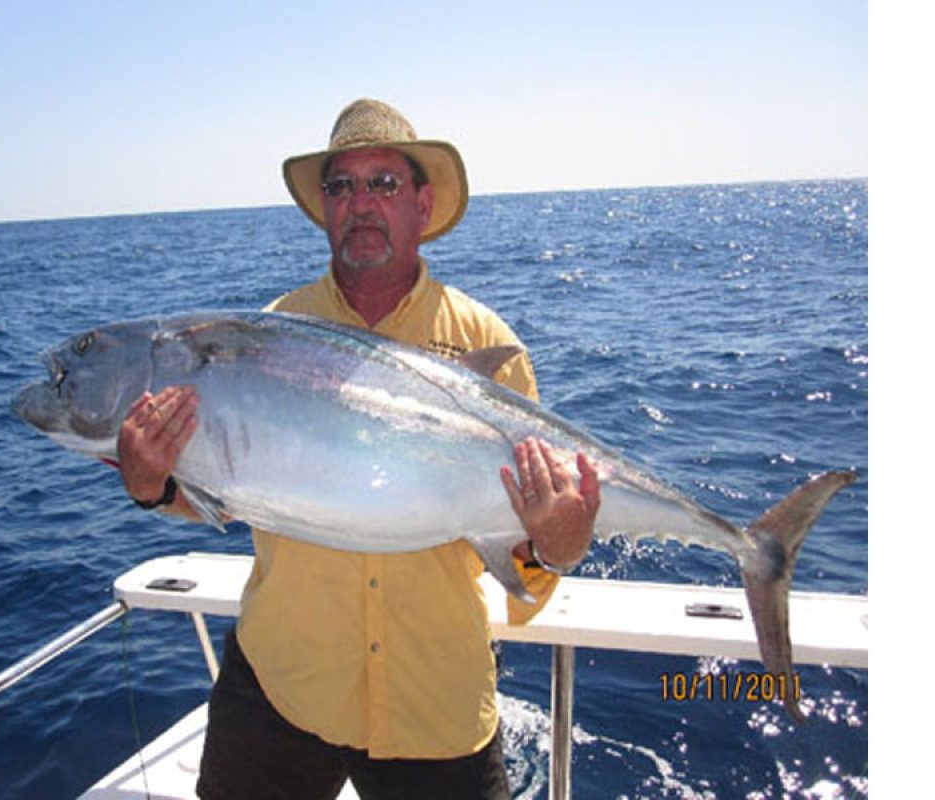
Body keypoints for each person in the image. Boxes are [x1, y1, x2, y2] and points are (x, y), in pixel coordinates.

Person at [115, 98, 599, 800]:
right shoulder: (270, 333)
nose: (360, 203)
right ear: (325, 208)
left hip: (434, 697)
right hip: (283, 687)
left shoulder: (486, 341)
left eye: (383, 184)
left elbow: (531, 536)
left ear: (423, 205)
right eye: (341, 186)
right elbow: (229, 489)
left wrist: (557, 547)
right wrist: (152, 487)